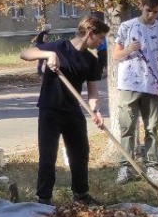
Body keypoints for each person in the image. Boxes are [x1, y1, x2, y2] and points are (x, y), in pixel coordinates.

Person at [19, 16, 109, 206]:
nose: (102, 42)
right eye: (100, 37)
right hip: (49, 110)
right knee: (47, 155)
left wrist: (96, 111)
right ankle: (44, 199)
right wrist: (48, 55)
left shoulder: (91, 61)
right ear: (90, 33)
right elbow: (25, 53)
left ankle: (81, 195)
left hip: (72, 111)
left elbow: (93, 92)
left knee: (80, 152)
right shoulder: (58, 47)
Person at [112, 0, 158, 187]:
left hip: (153, 86)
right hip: (129, 84)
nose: (151, 15)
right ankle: (126, 166)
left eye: (155, 11)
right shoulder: (127, 27)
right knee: (127, 126)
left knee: (152, 127)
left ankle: (152, 165)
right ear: (141, 6)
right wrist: (129, 49)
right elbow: (116, 55)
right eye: (148, 10)